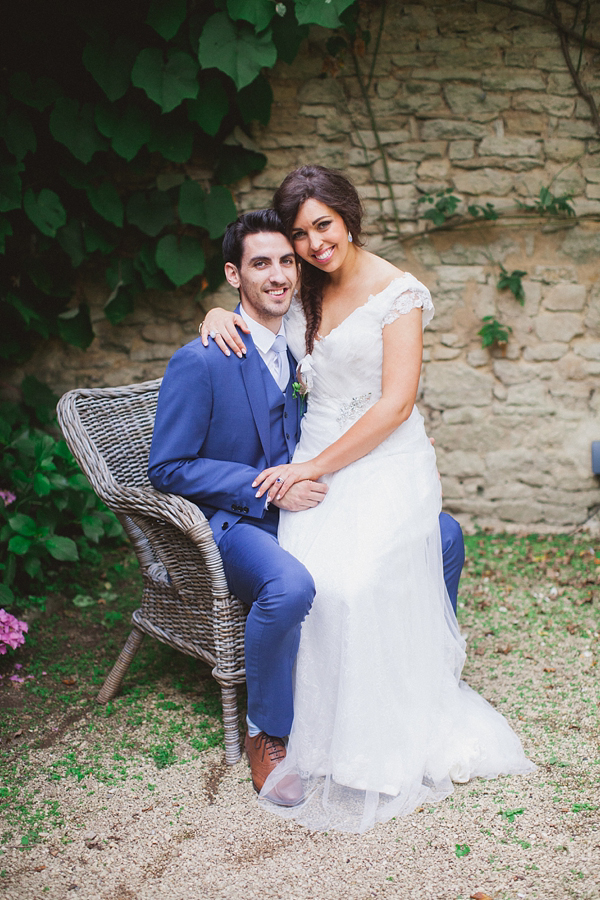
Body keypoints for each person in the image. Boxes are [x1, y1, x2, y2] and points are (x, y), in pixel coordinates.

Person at [200, 166, 535, 833]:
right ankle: (306, 732)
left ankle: (375, 734)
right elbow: (257, 310)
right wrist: (216, 310)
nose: (315, 243)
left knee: (353, 584)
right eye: (301, 233)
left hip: (384, 461)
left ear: (347, 216)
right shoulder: (304, 288)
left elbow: (396, 401)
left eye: (323, 224)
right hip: (315, 457)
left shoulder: (398, 292)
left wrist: (316, 466)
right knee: (311, 578)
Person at [148, 209, 328, 807]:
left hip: (313, 501)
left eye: (285, 261)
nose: (277, 275)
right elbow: (167, 467)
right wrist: (266, 484)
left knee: (442, 534)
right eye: (260, 264)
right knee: (290, 587)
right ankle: (267, 732)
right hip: (238, 520)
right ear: (234, 273)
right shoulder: (201, 358)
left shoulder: (309, 339)